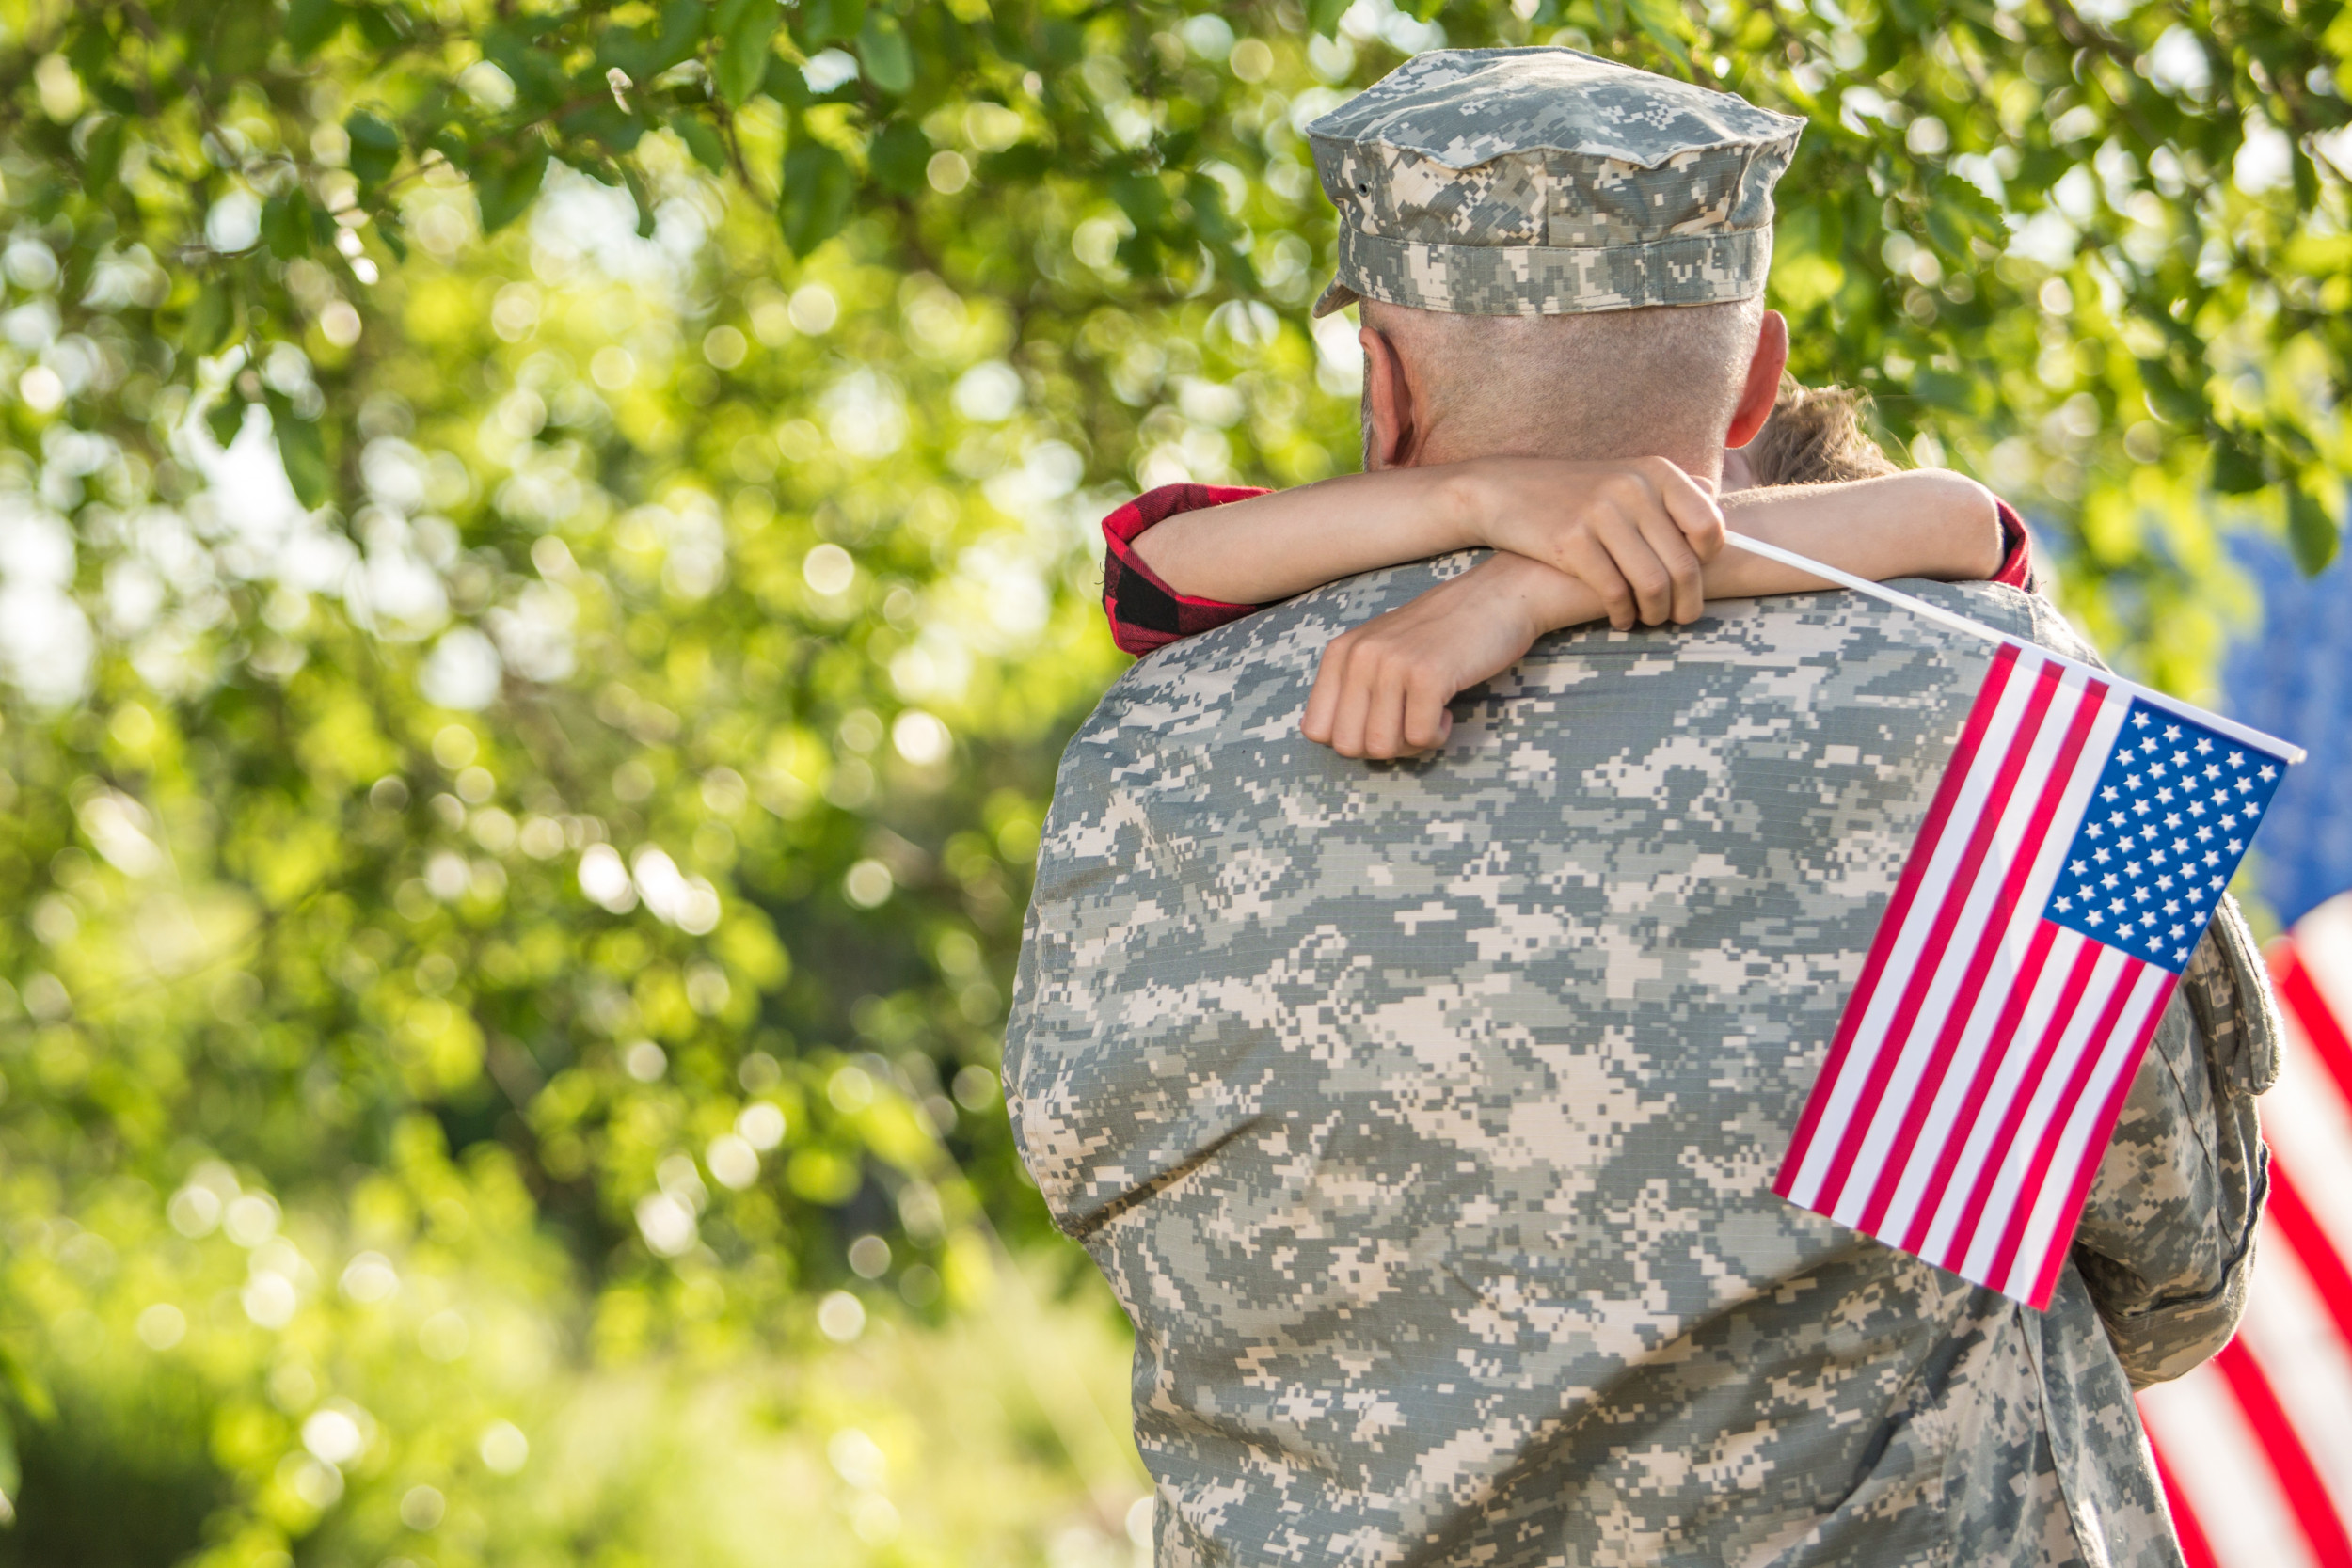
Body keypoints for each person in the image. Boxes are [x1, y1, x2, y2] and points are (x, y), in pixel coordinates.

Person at [1005, 47, 2276, 1568]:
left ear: (1384, 387)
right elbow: (2185, 1268)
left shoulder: (1145, 755)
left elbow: (1104, 1195)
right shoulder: (2027, 717)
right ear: (1758, 377)